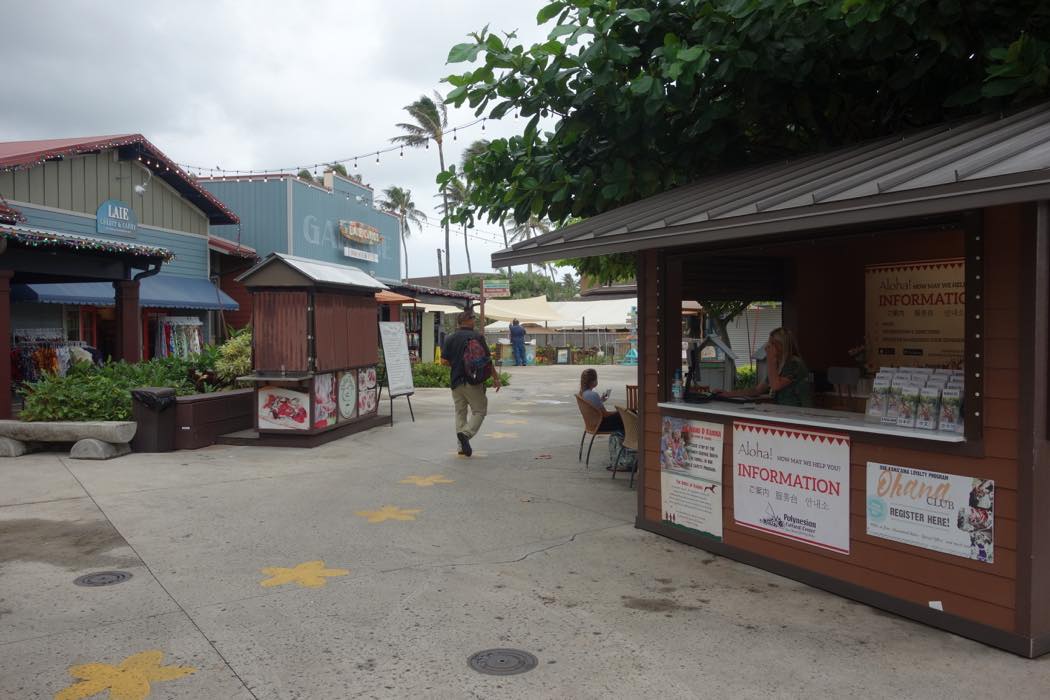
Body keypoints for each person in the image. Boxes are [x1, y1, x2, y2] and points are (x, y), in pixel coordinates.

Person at [441, 308, 501, 456]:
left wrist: (457, 365)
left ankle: (461, 447)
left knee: (460, 413)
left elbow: (443, 361)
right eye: (473, 318)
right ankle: (466, 434)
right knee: (480, 410)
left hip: (456, 381)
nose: (474, 320)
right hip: (472, 381)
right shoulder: (477, 337)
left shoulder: (450, 338)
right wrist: (495, 378)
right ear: (467, 320)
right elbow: (487, 361)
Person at [719, 327, 813, 407]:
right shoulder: (779, 365)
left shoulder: (794, 363)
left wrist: (771, 359)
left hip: (799, 411)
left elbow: (775, 385)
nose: (768, 347)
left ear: (782, 345)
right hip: (784, 411)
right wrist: (728, 394)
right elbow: (757, 390)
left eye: (772, 343)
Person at [578, 368, 624, 432]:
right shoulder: (593, 395)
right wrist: (619, 412)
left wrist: (601, 400)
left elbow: (592, 406)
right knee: (626, 416)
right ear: (593, 381)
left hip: (592, 424)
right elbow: (605, 414)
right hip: (600, 425)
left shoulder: (583, 394)